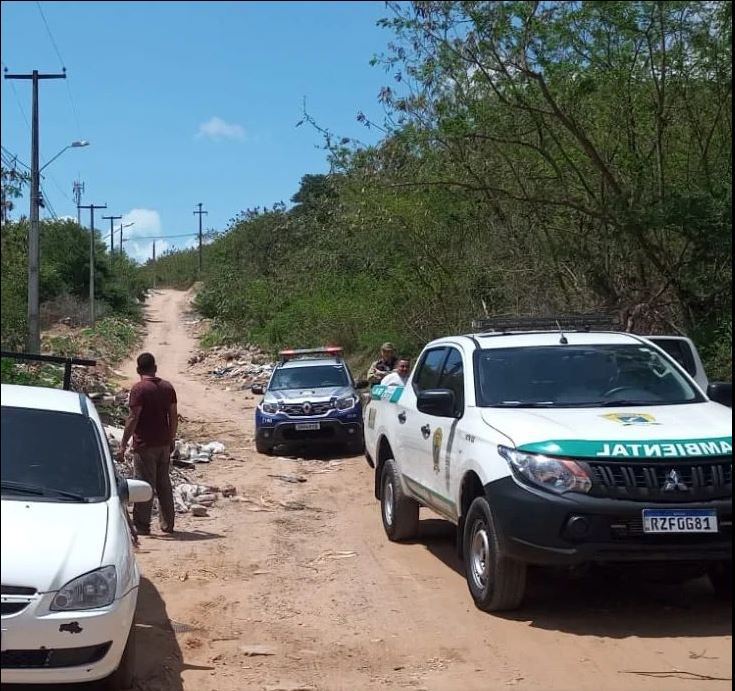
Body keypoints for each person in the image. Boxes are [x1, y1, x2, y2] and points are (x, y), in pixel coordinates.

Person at [117, 352, 178, 536]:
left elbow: (133, 417)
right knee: (164, 483)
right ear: (155, 368)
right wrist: (171, 438)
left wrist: (123, 444)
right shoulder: (168, 387)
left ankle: (142, 526)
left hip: (145, 445)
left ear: (138, 370)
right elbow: (174, 416)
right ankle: (168, 524)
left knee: (144, 485)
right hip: (164, 445)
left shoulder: (139, 389)